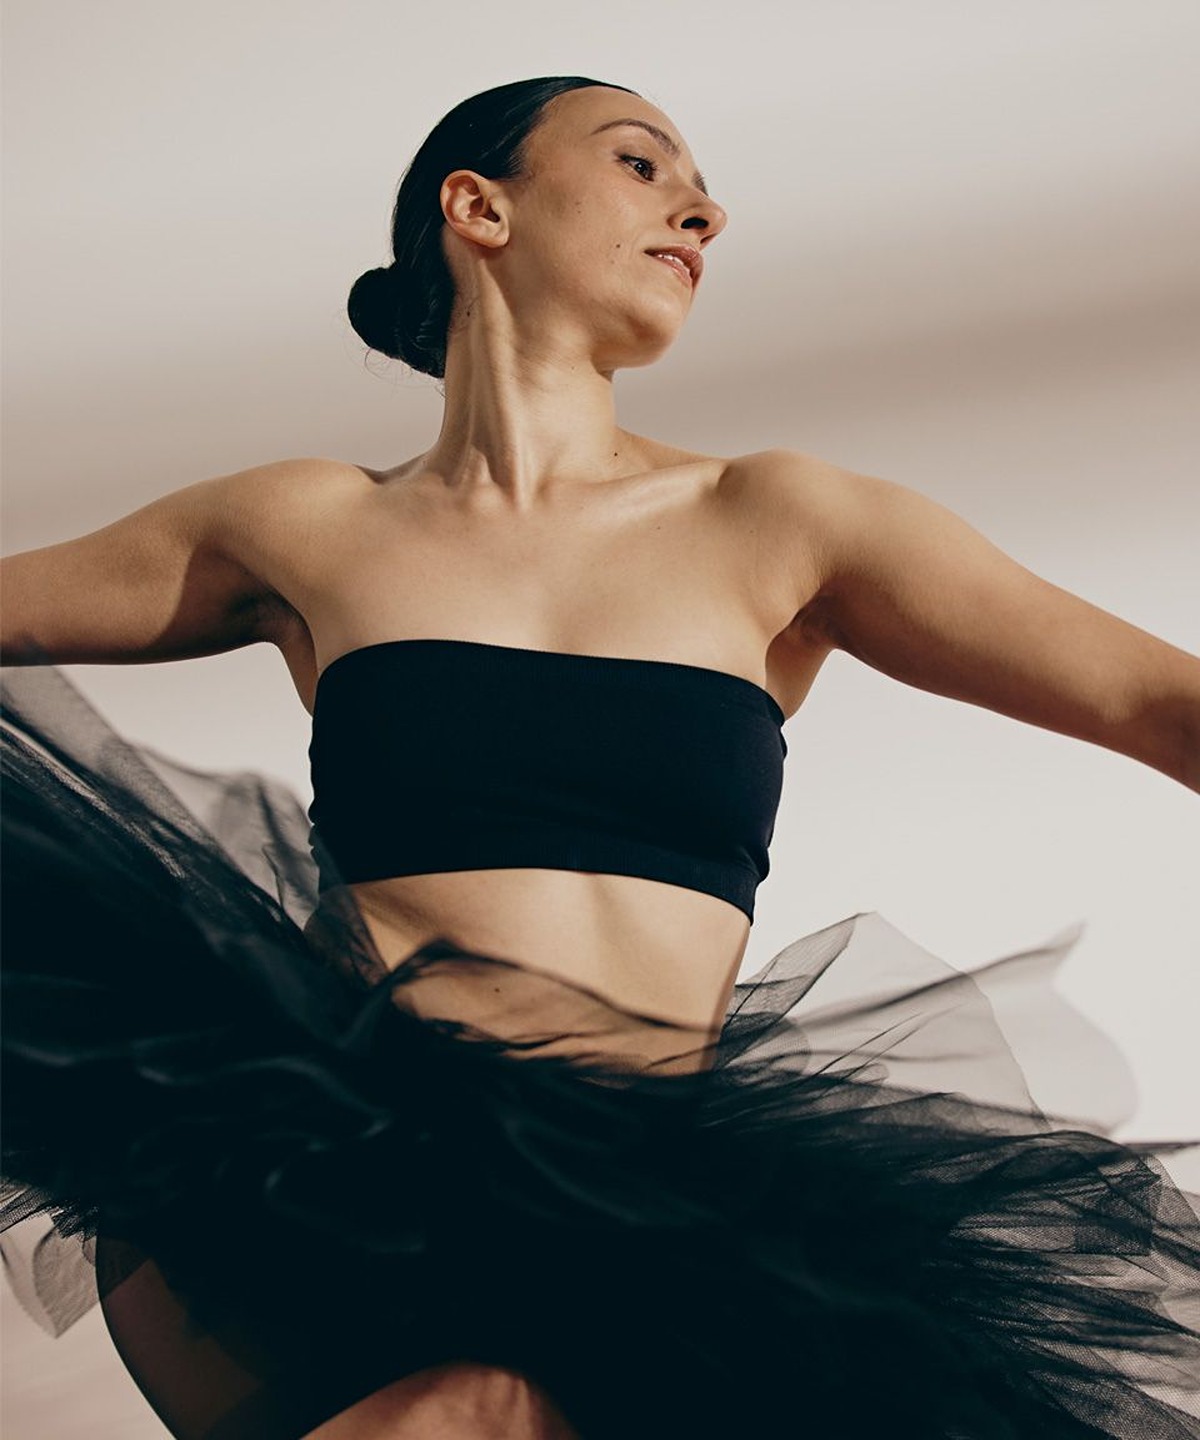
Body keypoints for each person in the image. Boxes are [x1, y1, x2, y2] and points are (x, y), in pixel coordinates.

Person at [1, 74, 1197, 1440]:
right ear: (478, 207)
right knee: (469, 1412)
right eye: (642, 164)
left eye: (701, 189)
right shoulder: (302, 523)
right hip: (347, 1176)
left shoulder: (780, 517)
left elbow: (1161, 703)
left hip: (640, 1199)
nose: (704, 211)